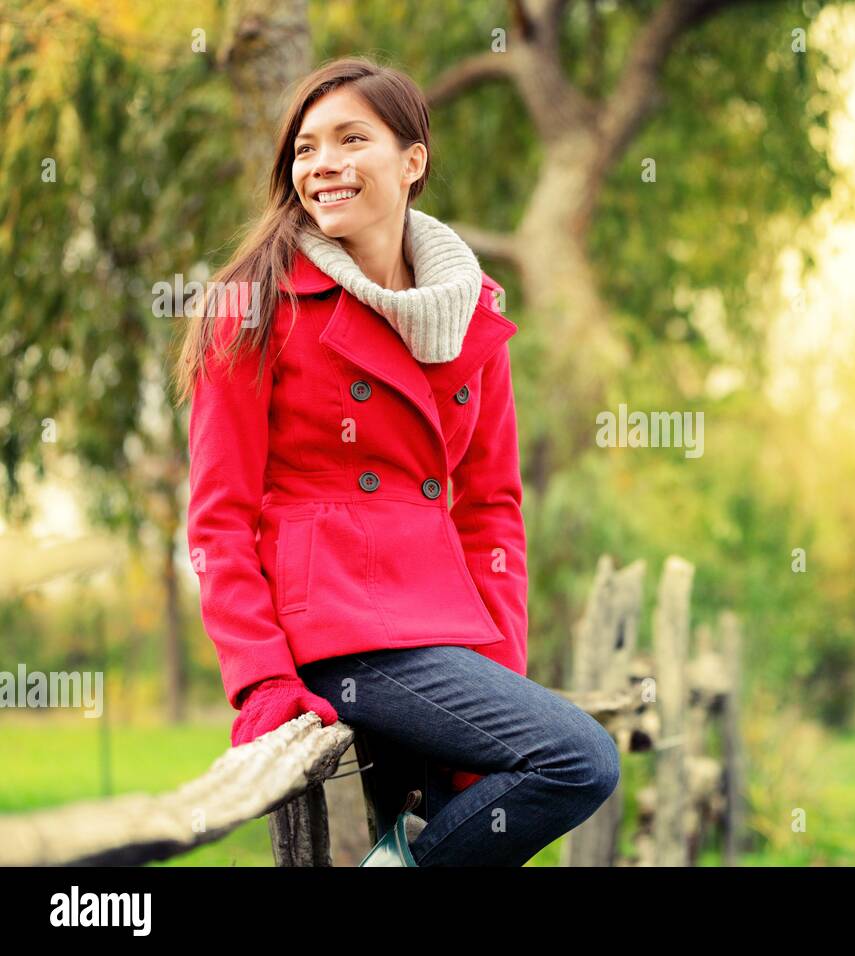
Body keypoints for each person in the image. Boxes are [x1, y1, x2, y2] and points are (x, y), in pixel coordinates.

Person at [170, 56, 619, 866]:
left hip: (443, 627)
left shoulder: (470, 311)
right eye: (306, 149)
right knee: (579, 758)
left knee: (497, 798)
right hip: (338, 630)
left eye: (351, 139)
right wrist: (262, 679)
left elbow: (490, 509)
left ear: (412, 161)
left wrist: (498, 673)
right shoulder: (253, 304)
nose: (323, 165)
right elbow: (219, 520)